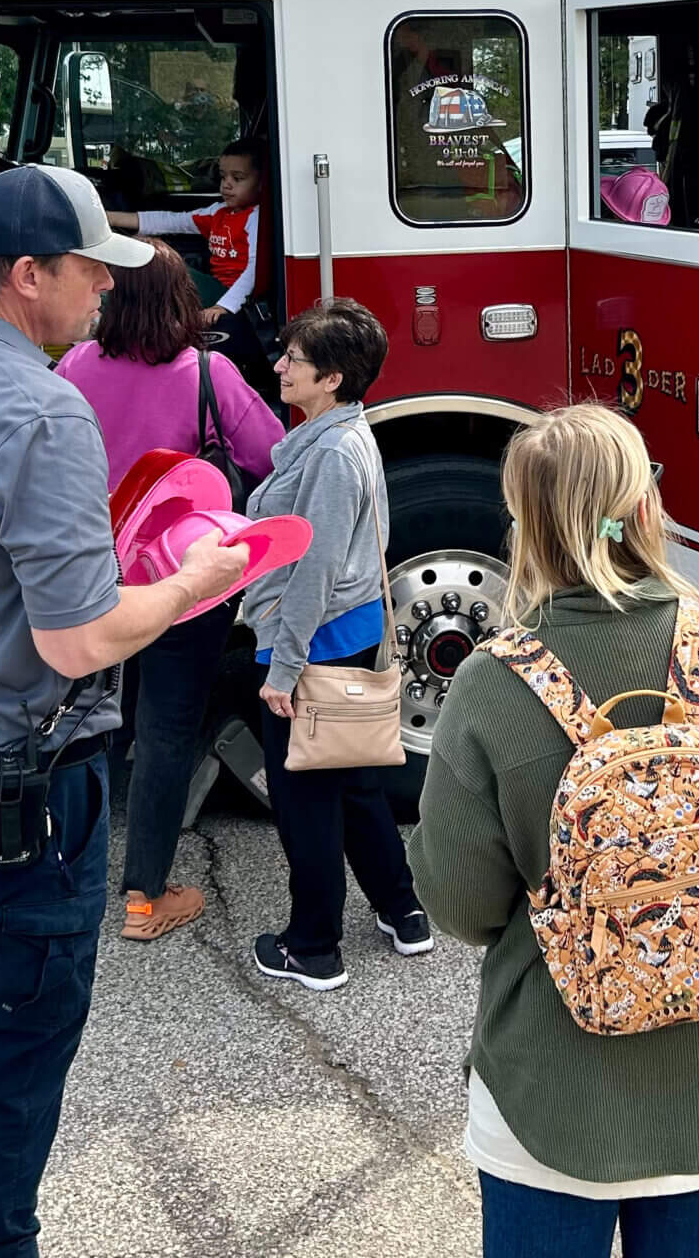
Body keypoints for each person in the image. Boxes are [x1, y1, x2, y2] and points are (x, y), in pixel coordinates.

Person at [0, 164, 249, 1258]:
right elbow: (77, 639)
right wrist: (190, 585)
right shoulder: (37, 404)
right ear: (29, 274)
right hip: (22, 788)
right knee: (13, 1062)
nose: (106, 297)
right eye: (90, 273)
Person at [409, 404, 699, 1258]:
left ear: (524, 523)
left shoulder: (491, 685)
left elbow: (460, 904)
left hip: (557, 1090)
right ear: (646, 509)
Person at [56, 239, 283, 941]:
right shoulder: (208, 376)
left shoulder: (72, 369)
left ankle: (61, 883)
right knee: (165, 732)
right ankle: (143, 896)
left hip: (86, 573)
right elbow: (269, 455)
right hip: (183, 582)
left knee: (76, 725)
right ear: (182, 301)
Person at [240, 297, 428, 990]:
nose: (281, 365)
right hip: (348, 633)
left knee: (304, 800)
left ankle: (312, 947)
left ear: (334, 380)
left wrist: (282, 671)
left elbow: (310, 568)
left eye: (297, 360)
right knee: (352, 779)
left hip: (309, 639)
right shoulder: (347, 434)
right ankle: (402, 912)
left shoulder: (328, 453)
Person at [107, 139, 278, 405]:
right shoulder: (218, 213)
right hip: (215, 286)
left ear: (261, 183)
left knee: (159, 267)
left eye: (238, 177)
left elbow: (254, 271)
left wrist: (225, 306)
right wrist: (112, 219)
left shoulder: (255, 217)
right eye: (223, 177)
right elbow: (169, 220)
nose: (227, 185)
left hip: (229, 293)